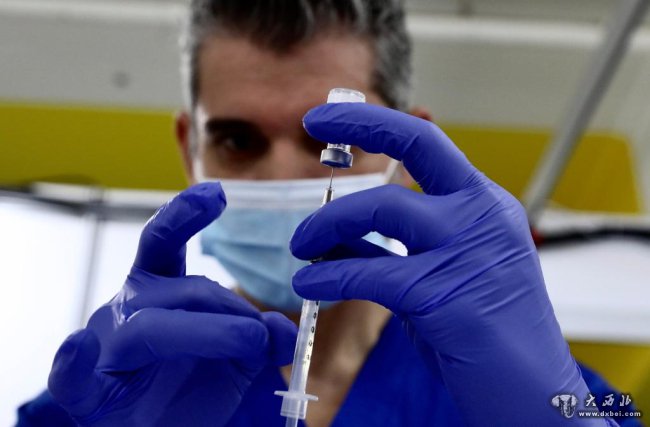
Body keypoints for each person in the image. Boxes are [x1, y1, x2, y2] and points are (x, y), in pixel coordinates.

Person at [16, 1, 641, 426]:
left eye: (331, 140)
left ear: (408, 150)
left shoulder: (556, 398)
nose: (284, 176)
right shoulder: (102, 403)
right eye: (238, 140)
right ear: (190, 149)